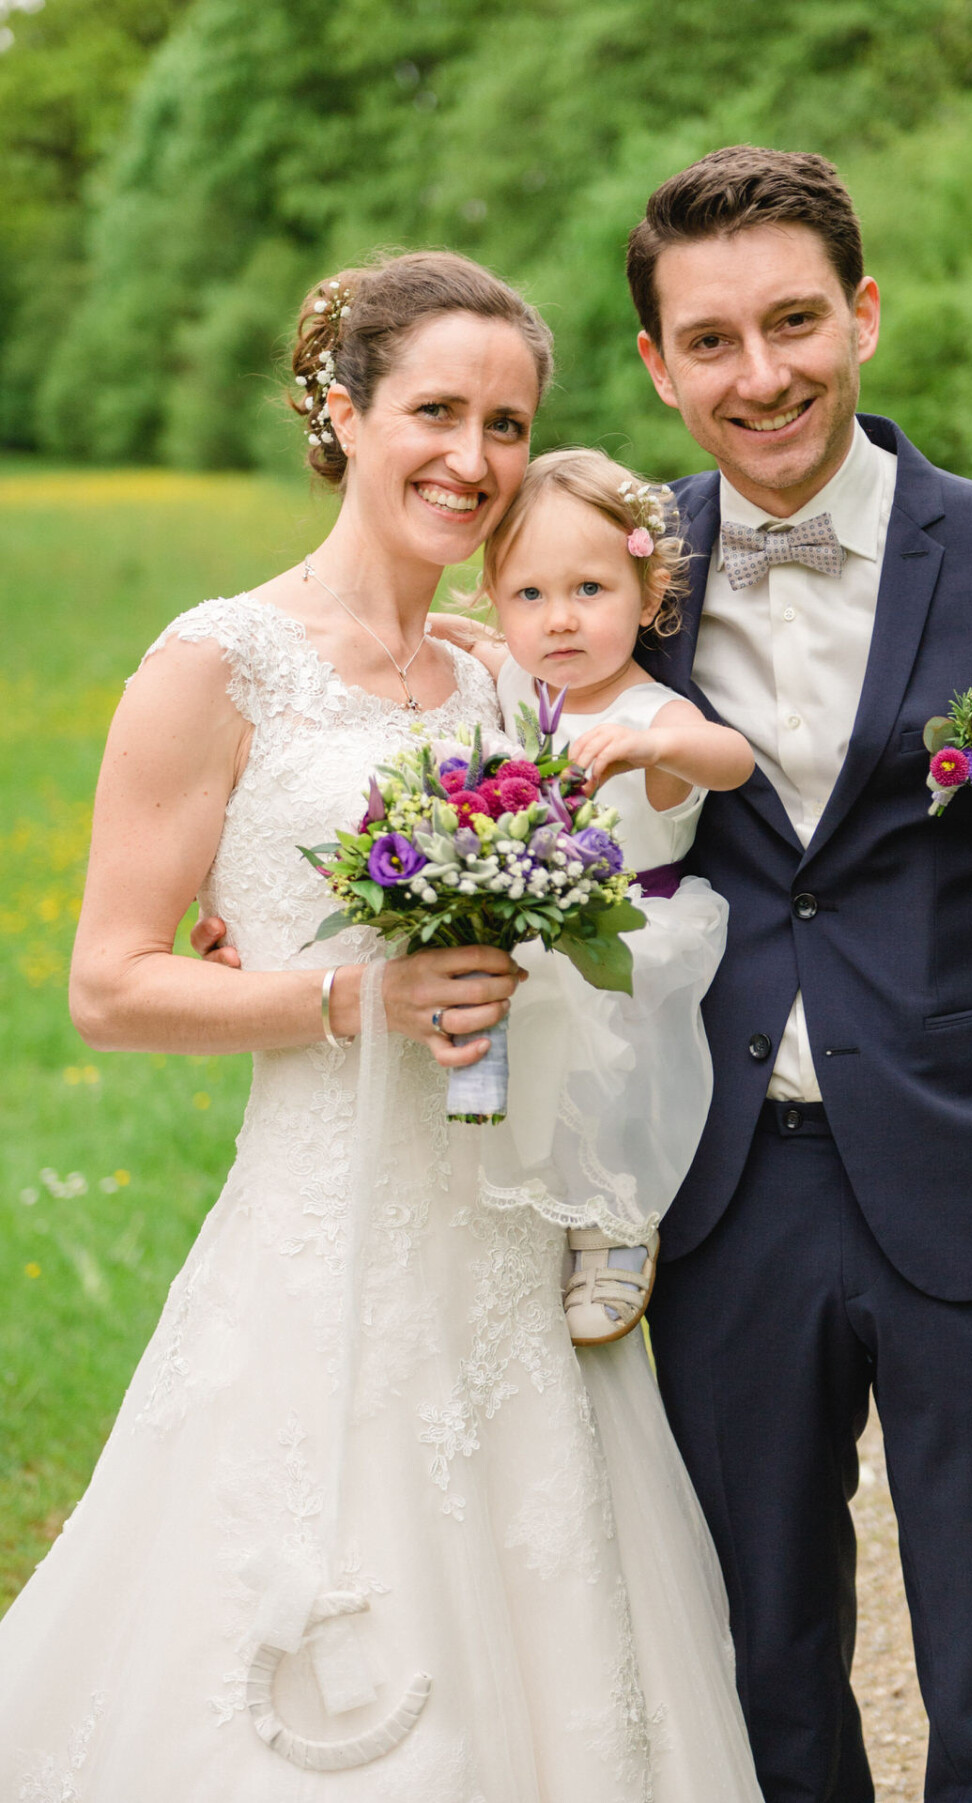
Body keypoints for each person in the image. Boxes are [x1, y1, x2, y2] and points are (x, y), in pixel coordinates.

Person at [0, 251, 765, 1802]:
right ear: (341, 411)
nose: (472, 458)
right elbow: (110, 981)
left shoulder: (500, 671)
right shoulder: (217, 664)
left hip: (509, 1235)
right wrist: (349, 993)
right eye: (434, 410)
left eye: (504, 422)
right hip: (326, 1230)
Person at [622, 148, 972, 1803]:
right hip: (719, 1209)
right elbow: (493, 778)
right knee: (761, 1663)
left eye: (795, 321)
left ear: (864, 314)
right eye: (710, 341)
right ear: (658, 366)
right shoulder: (616, 577)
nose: (762, 372)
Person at [435, 446, 754, 1344]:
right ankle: (515, 1208)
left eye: (590, 590)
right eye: (530, 594)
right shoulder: (513, 679)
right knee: (517, 1080)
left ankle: (614, 1227)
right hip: (525, 924)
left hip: (625, 931)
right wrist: (457, 636)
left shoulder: (656, 714)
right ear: (496, 596)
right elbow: (491, 648)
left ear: (647, 596)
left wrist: (652, 748)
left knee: (609, 1090)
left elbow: (729, 760)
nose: (560, 620)